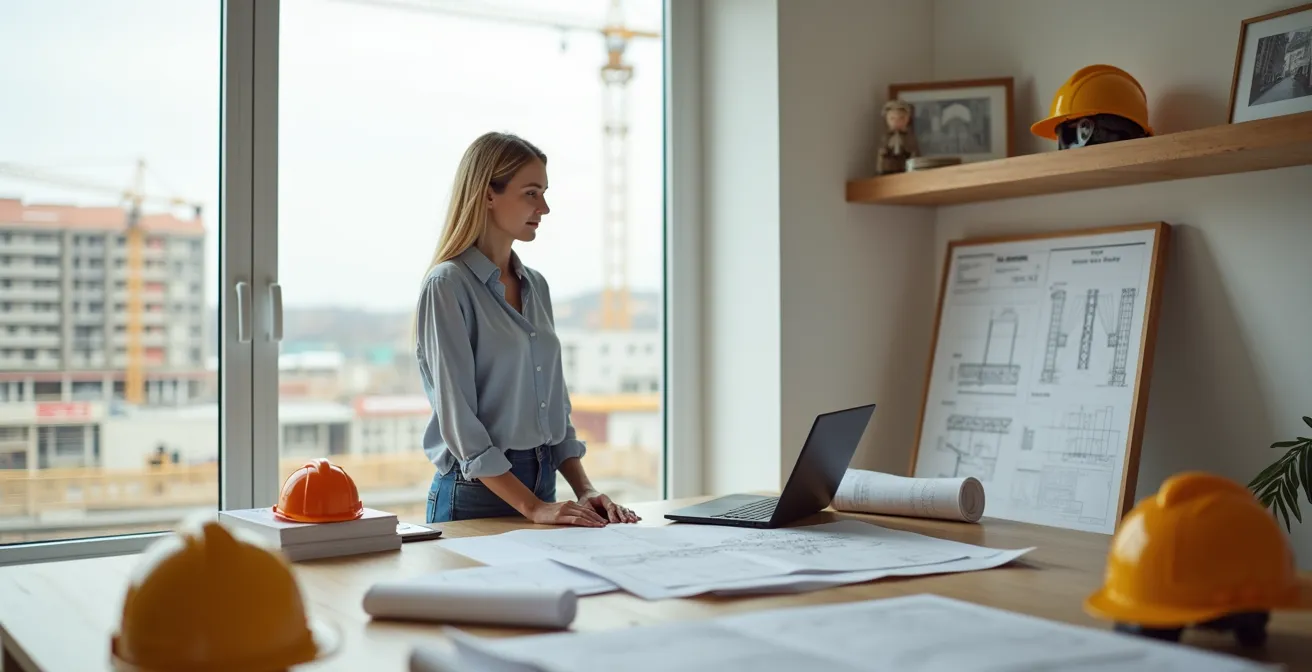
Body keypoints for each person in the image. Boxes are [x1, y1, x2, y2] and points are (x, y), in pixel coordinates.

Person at [414, 131, 641, 528]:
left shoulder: (536, 286)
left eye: (544, 193)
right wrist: (533, 507)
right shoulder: (447, 286)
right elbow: (461, 425)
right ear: (488, 194)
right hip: (475, 494)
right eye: (531, 193)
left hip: (543, 484)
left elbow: (553, 409)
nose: (545, 208)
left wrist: (584, 489)